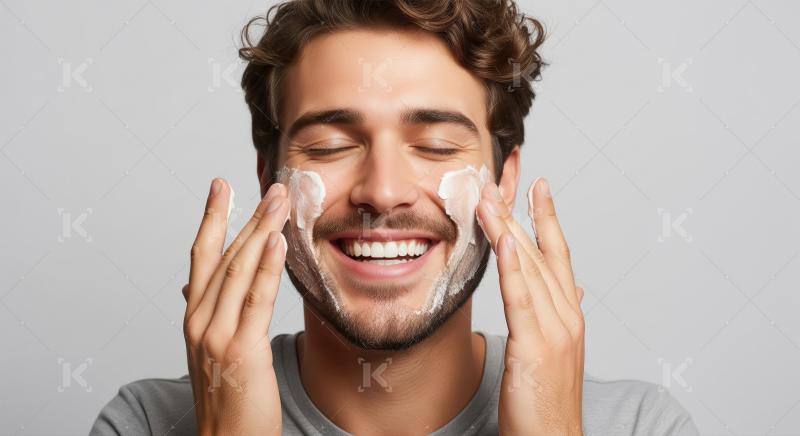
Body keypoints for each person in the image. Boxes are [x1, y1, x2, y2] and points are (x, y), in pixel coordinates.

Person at [90, 0, 699, 434]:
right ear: (268, 178)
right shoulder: (146, 424)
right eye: (329, 146)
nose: (382, 193)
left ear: (505, 180)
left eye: (435, 146)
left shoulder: (642, 426)